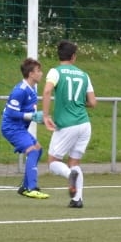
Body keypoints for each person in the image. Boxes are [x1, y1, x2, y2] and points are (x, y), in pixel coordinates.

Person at [43, 39, 96, 207]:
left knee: (53, 162)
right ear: (73, 56)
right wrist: (78, 103)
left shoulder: (55, 72)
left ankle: (69, 176)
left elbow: (47, 90)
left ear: (59, 55)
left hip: (67, 125)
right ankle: (77, 199)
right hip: (84, 124)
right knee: (74, 163)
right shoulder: (84, 75)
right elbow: (92, 102)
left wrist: (45, 115)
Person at [1, 57, 49, 198]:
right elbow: (11, 113)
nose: (41, 73)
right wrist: (31, 116)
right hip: (11, 128)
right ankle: (31, 188)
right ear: (31, 74)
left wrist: (40, 118)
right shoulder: (20, 91)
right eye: (38, 71)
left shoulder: (33, 88)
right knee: (32, 151)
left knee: (38, 149)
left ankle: (25, 186)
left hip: (20, 128)